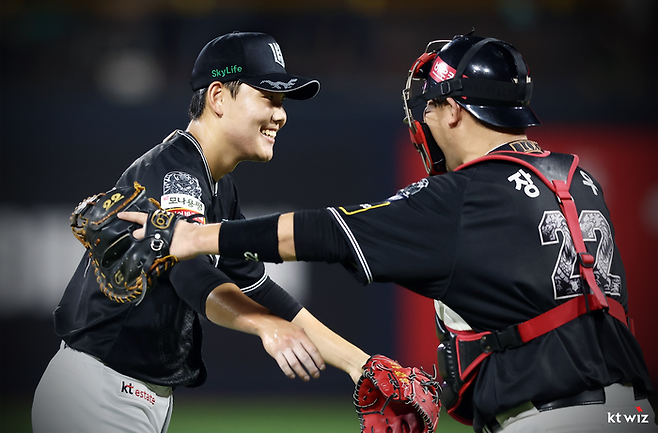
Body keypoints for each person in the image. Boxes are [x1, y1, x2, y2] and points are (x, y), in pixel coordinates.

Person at [122, 33, 656, 432]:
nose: (423, 116)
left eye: (431, 103)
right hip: (632, 413)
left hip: (552, 420)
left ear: (454, 111)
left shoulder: (462, 197)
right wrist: (357, 363)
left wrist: (196, 237)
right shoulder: (576, 177)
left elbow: (323, 233)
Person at [32, 31, 370, 433]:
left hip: (121, 395)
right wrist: (263, 325)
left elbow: (260, 288)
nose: (281, 114)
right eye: (268, 96)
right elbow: (188, 270)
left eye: (282, 101)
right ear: (218, 97)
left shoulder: (218, 187)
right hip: (97, 395)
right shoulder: (177, 174)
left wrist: (362, 366)